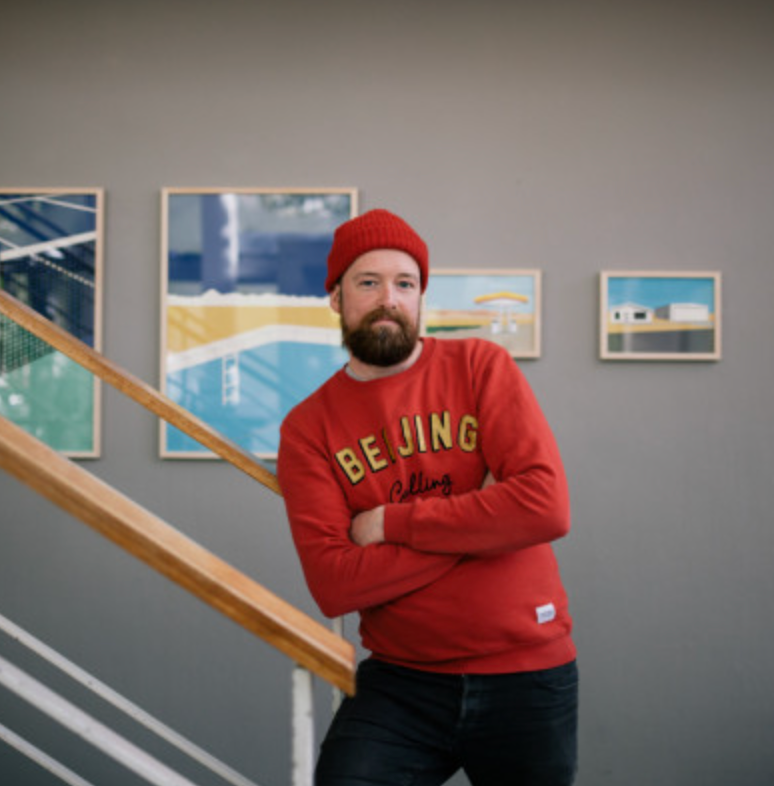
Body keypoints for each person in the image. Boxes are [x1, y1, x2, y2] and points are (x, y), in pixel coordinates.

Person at [277, 209, 578, 786]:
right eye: (368, 282)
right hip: (403, 681)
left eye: (405, 283)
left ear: (420, 297)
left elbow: (544, 508)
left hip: (528, 671)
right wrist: (489, 521)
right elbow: (335, 584)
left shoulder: (480, 367)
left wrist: (391, 523)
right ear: (336, 297)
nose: (388, 299)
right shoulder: (308, 427)